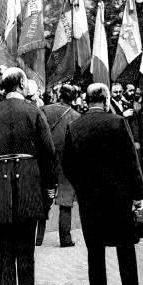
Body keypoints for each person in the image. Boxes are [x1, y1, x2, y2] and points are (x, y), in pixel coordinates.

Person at [0, 67, 57, 285]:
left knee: (5, 251)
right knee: (26, 251)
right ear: (22, 84)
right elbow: (48, 153)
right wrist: (50, 187)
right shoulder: (34, 112)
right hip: (29, 185)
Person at [63, 83, 143, 285]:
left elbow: (68, 165)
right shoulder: (118, 122)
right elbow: (132, 161)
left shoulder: (74, 126)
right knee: (125, 247)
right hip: (118, 198)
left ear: (87, 101)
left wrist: (83, 187)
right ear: (107, 100)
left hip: (90, 200)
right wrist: (138, 194)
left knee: (95, 250)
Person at [42, 84, 81, 247]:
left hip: (45, 159)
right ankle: (65, 238)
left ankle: (37, 239)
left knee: (42, 198)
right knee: (65, 203)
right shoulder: (77, 116)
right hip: (66, 163)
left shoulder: (44, 110)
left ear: (59, 94)